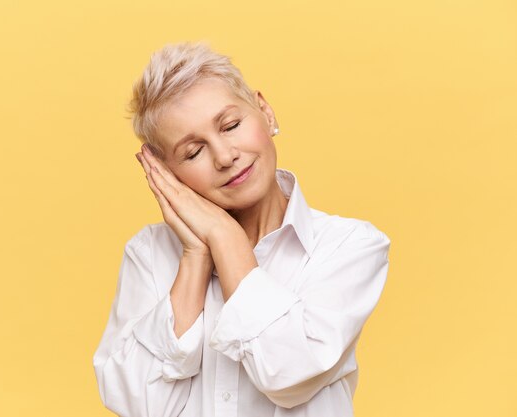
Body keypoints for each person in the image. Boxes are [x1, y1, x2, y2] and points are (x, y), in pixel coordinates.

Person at [92, 41, 391, 417]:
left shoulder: (350, 246)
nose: (224, 156)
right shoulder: (149, 253)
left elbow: (289, 373)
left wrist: (224, 237)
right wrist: (196, 255)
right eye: (193, 152)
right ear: (166, 172)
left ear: (264, 111)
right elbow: (137, 403)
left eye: (231, 125)